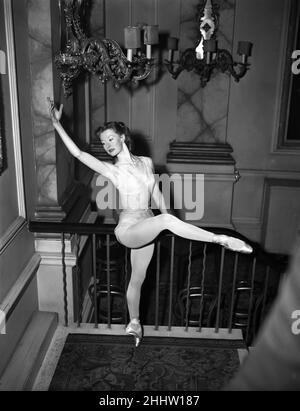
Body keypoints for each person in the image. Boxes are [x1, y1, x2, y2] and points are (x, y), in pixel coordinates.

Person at [48, 98, 252, 347]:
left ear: (122, 136)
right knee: (165, 221)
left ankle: (134, 323)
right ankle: (222, 239)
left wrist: (167, 221)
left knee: (138, 278)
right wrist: (57, 124)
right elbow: (78, 153)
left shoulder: (145, 162)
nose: (107, 145)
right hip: (128, 228)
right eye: (103, 142)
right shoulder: (114, 170)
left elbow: (156, 193)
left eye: (110, 139)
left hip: (147, 222)